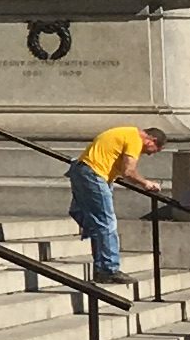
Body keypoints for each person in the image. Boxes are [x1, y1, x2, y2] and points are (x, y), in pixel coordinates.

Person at [66, 121, 165, 286]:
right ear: (151, 140)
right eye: (154, 150)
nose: (150, 154)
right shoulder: (134, 139)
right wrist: (146, 183)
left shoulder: (125, 133)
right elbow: (128, 172)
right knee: (106, 222)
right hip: (94, 174)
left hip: (82, 169)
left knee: (90, 217)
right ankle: (109, 269)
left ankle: (101, 262)